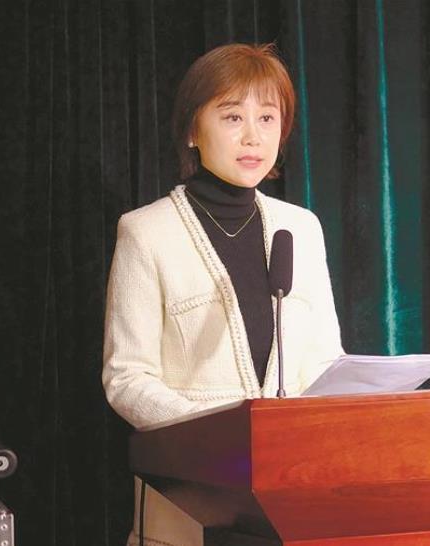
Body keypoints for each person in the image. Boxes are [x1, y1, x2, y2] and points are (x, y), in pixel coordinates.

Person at [102, 43, 344, 546]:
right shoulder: (146, 232)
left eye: (267, 118)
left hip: (292, 493)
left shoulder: (302, 227)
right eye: (233, 116)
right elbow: (126, 378)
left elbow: (326, 360)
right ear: (193, 130)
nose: (253, 135)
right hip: (191, 493)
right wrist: (216, 438)